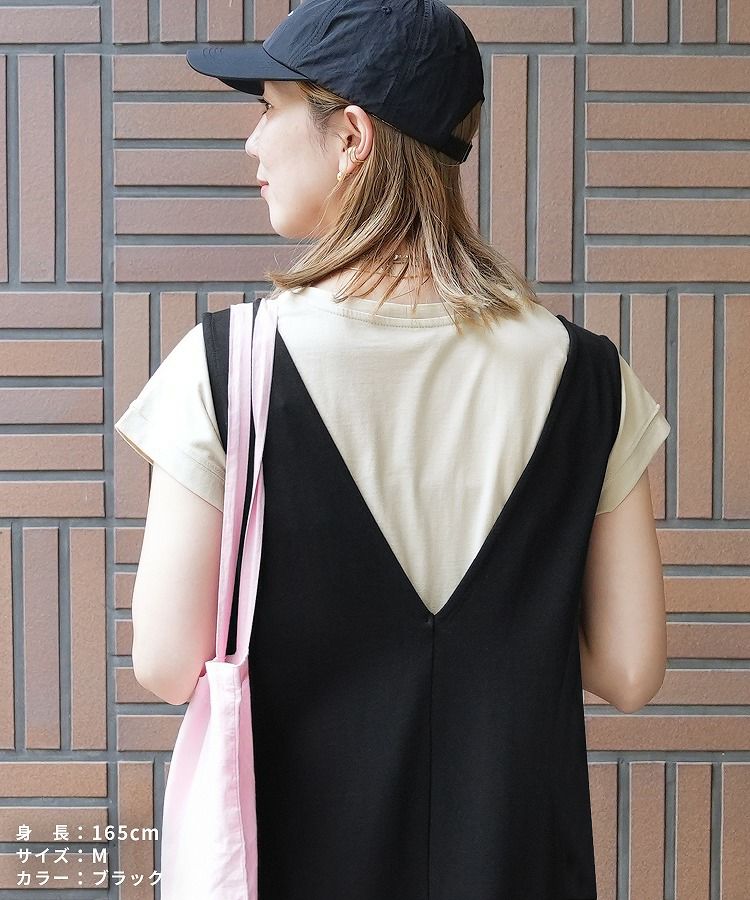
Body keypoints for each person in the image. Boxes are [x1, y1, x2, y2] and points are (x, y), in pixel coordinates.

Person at [114, 1, 671, 896]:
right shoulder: (590, 377)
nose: (252, 144)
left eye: (269, 108)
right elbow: (631, 669)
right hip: (518, 866)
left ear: (352, 136)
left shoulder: (230, 367)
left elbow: (167, 660)